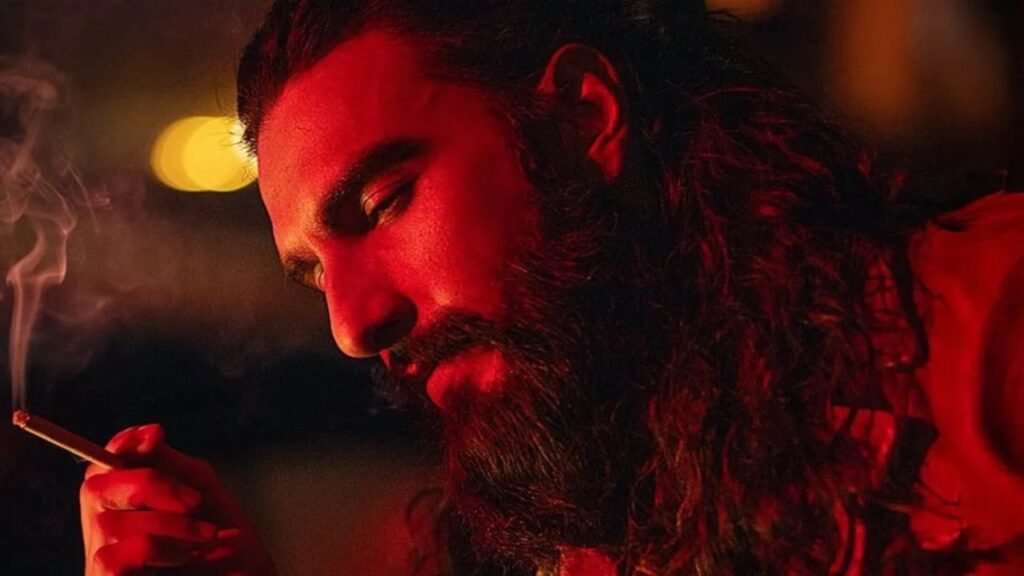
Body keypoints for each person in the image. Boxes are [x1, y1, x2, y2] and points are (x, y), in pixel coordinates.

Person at [78, 1, 1024, 574]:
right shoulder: (606, 503)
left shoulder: (991, 327)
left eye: (384, 202)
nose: (352, 328)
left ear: (580, 119)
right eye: (314, 273)